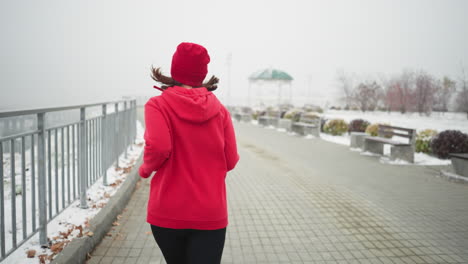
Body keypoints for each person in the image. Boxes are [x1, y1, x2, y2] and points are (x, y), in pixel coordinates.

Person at [139, 42, 239, 264]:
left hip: (167, 211)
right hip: (210, 212)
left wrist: (145, 170)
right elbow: (231, 160)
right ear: (202, 73)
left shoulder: (157, 105)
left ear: (175, 69)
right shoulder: (220, 110)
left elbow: (158, 147)